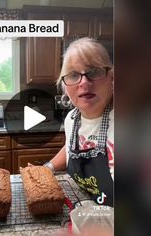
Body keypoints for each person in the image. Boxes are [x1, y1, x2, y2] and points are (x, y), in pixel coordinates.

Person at [43, 37, 114, 234]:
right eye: (74, 75)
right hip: (87, 213)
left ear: (112, 78)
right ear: (65, 86)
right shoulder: (72, 119)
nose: (84, 82)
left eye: (94, 72)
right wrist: (47, 168)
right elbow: (72, 147)